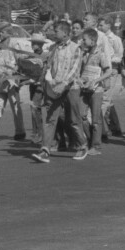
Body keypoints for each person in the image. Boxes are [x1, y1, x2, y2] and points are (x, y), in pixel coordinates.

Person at [31, 20, 88, 163]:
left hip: (71, 88)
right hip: (54, 88)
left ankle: (82, 145)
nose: (54, 33)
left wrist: (64, 84)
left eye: (56, 31)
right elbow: (49, 67)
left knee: (73, 120)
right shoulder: (52, 48)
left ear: (65, 33)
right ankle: (45, 150)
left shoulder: (76, 48)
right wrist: (48, 80)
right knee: (50, 118)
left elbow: (75, 69)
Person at [77, 28, 113, 155]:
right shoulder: (83, 53)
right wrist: (80, 79)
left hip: (96, 90)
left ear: (92, 40)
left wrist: (96, 80)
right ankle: (90, 139)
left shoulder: (100, 54)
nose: (82, 41)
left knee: (96, 119)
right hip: (84, 88)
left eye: (84, 39)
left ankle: (96, 146)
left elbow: (108, 71)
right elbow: (79, 70)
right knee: (81, 115)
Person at [98, 17, 125, 138]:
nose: (100, 27)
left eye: (102, 25)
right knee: (106, 99)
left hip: (111, 70)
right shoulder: (99, 37)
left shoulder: (115, 39)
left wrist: (107, 60)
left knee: (105, 99)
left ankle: (99, 127)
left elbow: (119, 56)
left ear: (109, 25)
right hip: (101, 71)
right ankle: (113, 127)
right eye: (99, 25)